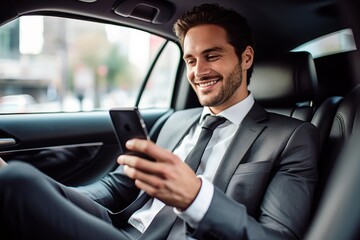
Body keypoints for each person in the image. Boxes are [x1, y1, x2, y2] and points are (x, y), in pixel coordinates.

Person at [0, 3, 319, 240]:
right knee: (23, 180)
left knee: (17, 184)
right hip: (120, 227)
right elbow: (119, 185)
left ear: (246, 58)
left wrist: (196, 197)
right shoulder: (175, 123)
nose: (198, 71)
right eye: (190, 60)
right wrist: (51, 193)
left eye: (212, 55)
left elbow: (277, 237)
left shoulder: (292, 137)